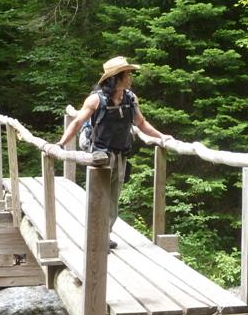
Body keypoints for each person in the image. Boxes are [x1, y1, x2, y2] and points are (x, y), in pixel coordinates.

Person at [49, 56, 173, 249]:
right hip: (100, 155)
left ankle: (104, 235)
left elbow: (140, 123)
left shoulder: (130, 98)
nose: (131, 78)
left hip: (121, 154)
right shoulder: (96, 99)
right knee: (99, 196)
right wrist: (61, 144)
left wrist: (161, 136)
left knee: (113, 198)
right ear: (116, 77)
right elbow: (77, 122)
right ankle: (96, 239)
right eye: (128, 74)